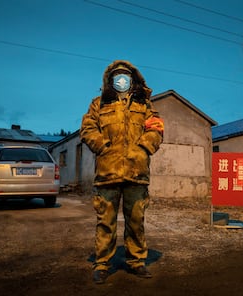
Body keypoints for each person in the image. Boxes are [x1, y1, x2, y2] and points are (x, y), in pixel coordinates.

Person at [80, 60, 164, 284]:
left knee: (136, 220)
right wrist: (103, 147)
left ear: (133, 79)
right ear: (110, 80)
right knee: (105, 222)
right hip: (107, 174)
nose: (121, 79)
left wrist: (143, 149)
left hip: (137, 173)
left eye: (125, 75)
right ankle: (102, 264)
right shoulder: (99, 104)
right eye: (117, 75)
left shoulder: (144, 105)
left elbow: (156, 129)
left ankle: (136, 262)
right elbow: (88, 129)